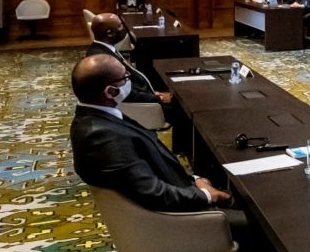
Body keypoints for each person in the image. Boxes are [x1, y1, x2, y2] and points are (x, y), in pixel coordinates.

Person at [69, 55, 251, 233]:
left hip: (178, 191)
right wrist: (208, 195)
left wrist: (194, 180)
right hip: (179, 221)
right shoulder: (101, 137)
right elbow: (153, 193)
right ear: (110, 92)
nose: (129, 81)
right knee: (262, 223)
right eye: (125, 78)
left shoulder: (100, 116)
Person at [84, 13, 170, 105]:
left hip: (145, 94)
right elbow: (123, 93)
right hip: (143, 107)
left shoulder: (104, 49)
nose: (124, 29)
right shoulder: (103, 59)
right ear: (110, 33)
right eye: (121, 26)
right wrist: (157, 98)